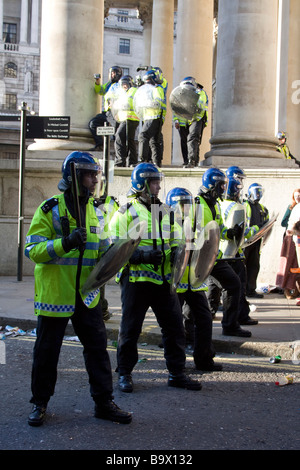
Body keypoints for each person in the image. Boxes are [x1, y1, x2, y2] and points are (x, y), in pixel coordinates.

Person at [24, 151, 132, 426]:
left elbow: (104, 251)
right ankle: (39, 403)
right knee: (47, 353)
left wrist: (121, 253)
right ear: (73, 176)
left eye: (95, 174)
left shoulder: (96, 212)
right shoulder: (50, 209)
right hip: (55, 295)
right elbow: (32, 249)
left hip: (87, 295)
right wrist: (65, 243)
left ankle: (104, 403)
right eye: (89, 174)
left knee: (97, 349)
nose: (95, 179)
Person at [109, 163, 202, 393]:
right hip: (136, 281)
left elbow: (178, 242)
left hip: (163, 281)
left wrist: (183, 253)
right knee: (130, 329)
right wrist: (141, 255)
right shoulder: (126, 211)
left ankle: (177, 373)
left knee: (174, 329)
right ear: (141, 184)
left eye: (159, 182)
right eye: (154, 182)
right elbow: (113, 246)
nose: (159, 186)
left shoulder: (166, 212)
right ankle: (125, 373)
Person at [165, 187, 223, 371]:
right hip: (176, 282)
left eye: (188, 205)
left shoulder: (194, 224)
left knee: (205, 320)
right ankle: (177, 365)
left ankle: (204, 360)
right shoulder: (167, 225)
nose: (187, 208)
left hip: (195, 281)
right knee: (174, 326)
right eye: (183, 205)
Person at [197, 168, 251, 337]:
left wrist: (230, 233)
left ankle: (230, 325)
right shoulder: (197, 205)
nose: (223, 189)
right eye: (221, 186)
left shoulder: (216, 205)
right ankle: (185, 332)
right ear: (211, 185)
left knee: (233, 283)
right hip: (197, 258)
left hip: (213, 256)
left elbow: (219, 228)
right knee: (191, 295)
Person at [219, 177, 259, 326]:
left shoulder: (219, 204)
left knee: (222, 287)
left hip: (220, 252)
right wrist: (255, 230)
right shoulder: (237, 207)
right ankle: (238, 318)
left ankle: (232, 319)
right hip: (233, 251)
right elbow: (240, 233)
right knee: (237, 287)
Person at [134, 69, 166, 167]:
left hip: (154, 116)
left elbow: (157, 102)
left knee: (143, 135)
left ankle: (142, 160)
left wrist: (146, 104)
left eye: (147, 81)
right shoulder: (151, 89)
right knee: (154, 140)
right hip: (150, 116)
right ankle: (156, 162)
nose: (146, 84)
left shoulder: (157, 88)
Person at [173, 77, 208, 168]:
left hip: (197, 118)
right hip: (183, 120)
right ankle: (187, 160)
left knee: (193, 138)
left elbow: (200, 104)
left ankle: (192, 160)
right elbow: (176, 107)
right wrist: (176, 120)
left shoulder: (201, 93)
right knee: (184, 141)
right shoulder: (181, 94)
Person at [244, 183, 269, 298]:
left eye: (260, 192)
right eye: (256, 192)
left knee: (254, 266)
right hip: (245, 241)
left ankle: (250, 290)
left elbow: (266, 222)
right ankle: (242, 290)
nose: (258, 194)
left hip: (257, 241)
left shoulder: (262, 208)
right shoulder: (244, 205)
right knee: (242, 266)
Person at [89, 66, 123, 150]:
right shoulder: (109, 84)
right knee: (93, 123)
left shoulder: (121, 85)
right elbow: (100, 91)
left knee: (117, 133)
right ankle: (100, 145)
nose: (112, 75)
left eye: (114, 73)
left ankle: (119, 152)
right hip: (107, 112)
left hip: (116, 112)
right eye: (111, 73)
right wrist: (97, 83)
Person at [276, 189, 300, 299]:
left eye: (299, 195)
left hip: (296, 237)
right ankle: (290, 289)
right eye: (296, 196)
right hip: (292, 239)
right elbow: (284, 222)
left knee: (296, 266)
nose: (297, 197)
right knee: (291, 265)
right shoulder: (293, 207)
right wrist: (291, 230)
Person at [112, 75, 139, 167]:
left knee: (119, 136)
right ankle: (132, 161)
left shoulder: (133, 91)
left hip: (131, 118)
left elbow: (130, 103)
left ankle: (120, 160)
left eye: (125, 84)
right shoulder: (123, 93)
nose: (124, 86)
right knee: (129, 140)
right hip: (124, 119)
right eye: (122, 84)